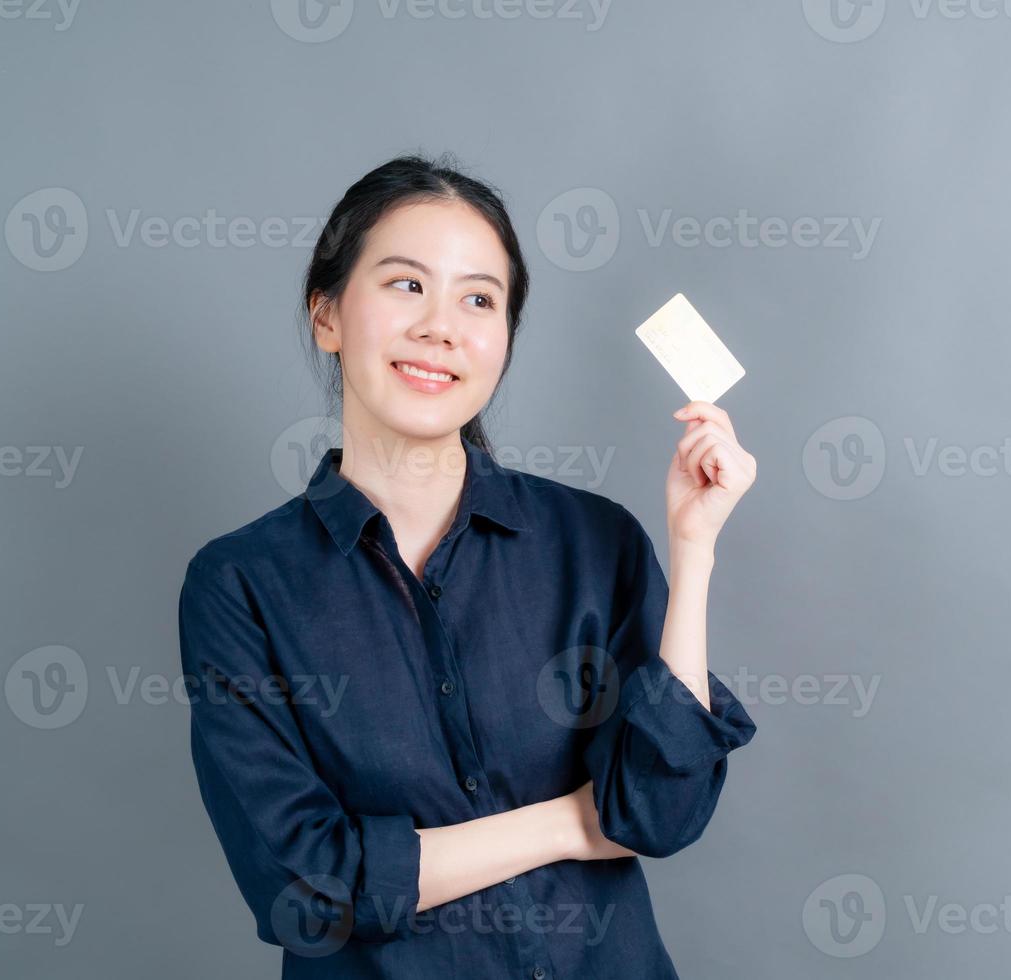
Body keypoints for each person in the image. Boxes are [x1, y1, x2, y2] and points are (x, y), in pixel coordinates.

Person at [176, 152, 758, 978]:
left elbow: (659, 812)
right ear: (327, 315)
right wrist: (572, 824)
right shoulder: (241, 585)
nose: (441, 327)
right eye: (406, 284)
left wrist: (693, 550)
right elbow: (307, 888)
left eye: (478, 298)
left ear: (504, 339)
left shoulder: (596, 541)